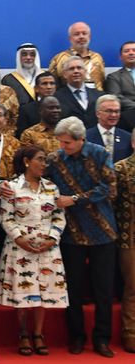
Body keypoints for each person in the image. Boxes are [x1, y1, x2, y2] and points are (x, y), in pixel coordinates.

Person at [46, 116, 117, 357]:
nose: (63, 147)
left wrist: (76, 199)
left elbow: (109, 187)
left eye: (67, 143)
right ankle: (76, 337)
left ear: (81, 140)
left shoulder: (99, 153)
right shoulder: (55, 159)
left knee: (103, 290)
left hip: (102, 230)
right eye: (60, 142)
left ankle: (102, 339)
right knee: (73, 290)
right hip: (71, 233)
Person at [0, 146, 67, 356]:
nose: (44, 164)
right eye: (40, 160)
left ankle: (38, 333)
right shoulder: (12, 187)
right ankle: (24, 333)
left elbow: (59, 216)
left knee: (43, 292)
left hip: (47, 246)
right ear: (27, 161)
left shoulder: (52, 187)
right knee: (24, 293)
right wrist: (19, 238)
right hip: (20, 246)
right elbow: (5, 217)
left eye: (46, 160)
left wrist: (53, 237)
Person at [114, 132, 135, 353]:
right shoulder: (121, 168)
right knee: (132, 289)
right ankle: (131, 333)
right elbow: (112, 203)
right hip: (130, 237)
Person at [48, 21, 106, 91]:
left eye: (84, 33)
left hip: (96, 99)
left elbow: (103, 82)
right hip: (68, 100)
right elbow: (52, 85)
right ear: (70, 38)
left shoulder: (97, 58)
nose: (81, 37)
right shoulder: (59, 58)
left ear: (89, 37)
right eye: (77, 34)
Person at [54, 55, 103, 128]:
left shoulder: (98, 95)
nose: (76, 71)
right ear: (64, 74)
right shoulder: (56, 97)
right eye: (71, 69)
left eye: (79, 68)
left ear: (85, 72)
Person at [86, 95, 132, 163]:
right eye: (109, 111)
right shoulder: (86, 137)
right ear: (98, 113)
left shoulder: (128, 137)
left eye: (117, 111)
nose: (113, 115)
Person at [16, 72, 58, 137]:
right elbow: (21, 136)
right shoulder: (26, 110)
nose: (49, 87)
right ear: (36, 88)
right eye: (44, 84)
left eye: (52, 83)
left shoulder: (65, 108)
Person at [105, 41, 135, 111]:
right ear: (120, 57)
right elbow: (116, 97)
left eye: (134, 50)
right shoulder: (113, 77)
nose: (131, 53)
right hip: (129, 115)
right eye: (127, 51)